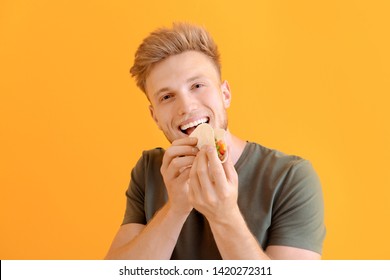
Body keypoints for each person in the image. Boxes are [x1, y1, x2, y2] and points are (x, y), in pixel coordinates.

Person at [105, 22, 326, 260]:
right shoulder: (149, 170)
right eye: (167, 96)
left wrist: (224, 215)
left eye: (197, 85)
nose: (186, 106)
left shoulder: (290, 177)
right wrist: (176, 208)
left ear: (225, 94)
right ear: (155, 116)